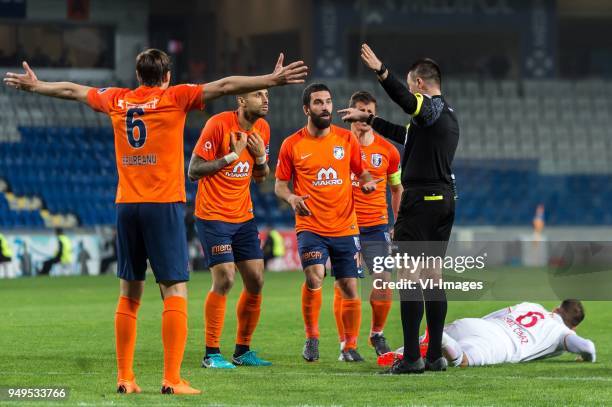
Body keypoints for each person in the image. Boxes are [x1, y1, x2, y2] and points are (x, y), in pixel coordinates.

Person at [4, 49, 307, 394]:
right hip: (161, 205)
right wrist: (272, 79)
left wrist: (37, 86)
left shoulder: (117, 100)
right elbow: (224, 85)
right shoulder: (174, 96)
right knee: (175, 289)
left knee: (129, 293)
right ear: (166, 76)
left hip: (126, 206)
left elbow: (73, 91)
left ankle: (125, 378)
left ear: (137, 76)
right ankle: (172, 379)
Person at [339, 44, 459, 374]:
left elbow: (409, 105)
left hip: (419, 203)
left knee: (409, 279)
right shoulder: (445, 116)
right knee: (433, 279)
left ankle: (411, 360)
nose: (408, 91)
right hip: (444, 201)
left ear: (420, 83)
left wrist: (382, 72)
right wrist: (370, 119)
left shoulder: (430, 108)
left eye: (410, 85)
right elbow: (404, 134)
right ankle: (434, 356)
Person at [275, 83, 380, 362]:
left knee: (349, 286)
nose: (325, 107)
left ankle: (349, 346)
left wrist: (368, 184)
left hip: (345, 225)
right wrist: (291, 198)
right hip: (311, 225)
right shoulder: (292, 144)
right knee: (315, 275)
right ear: (306, 109)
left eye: (328, 101)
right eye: (318, 102)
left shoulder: (346, 140)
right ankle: (312, 338)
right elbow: (280, 185)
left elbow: (362, 171)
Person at [188, 89, 272, 369]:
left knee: (256, 280)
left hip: (243, 216)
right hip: (213, 216)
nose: (265, 99)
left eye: (267, 94)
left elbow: (260, 178)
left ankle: (242, 350)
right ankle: (211, 354)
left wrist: (260, 159)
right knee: (224, 279)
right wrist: (230, 158)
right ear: (241, 101)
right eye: (258, 94)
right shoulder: (218, 124)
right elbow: (193, 170)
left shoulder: (263, 129)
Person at [333, 91, 403, 359]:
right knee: (345, 285)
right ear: (349, 113)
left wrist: (398, 222)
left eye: (369, 112)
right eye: (359, 111)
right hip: (343, 226)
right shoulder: (335, 143)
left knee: (384, 282)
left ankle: (377, 334)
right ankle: (346, 345)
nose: (364, 117)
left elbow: (397, 189)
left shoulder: (388, 151)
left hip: (376, 227)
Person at [379, 300, 596, 367]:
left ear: (557, 308)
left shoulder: (535, 306)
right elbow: (587, 348)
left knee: (443, 337)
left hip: (482, 325)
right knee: (463, 360)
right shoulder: (562, 333)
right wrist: (586, 357)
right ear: (573, 326)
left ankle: (404, 353)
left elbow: (498, 313)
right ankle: (442, 339)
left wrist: (473, 327)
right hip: (500, 344)